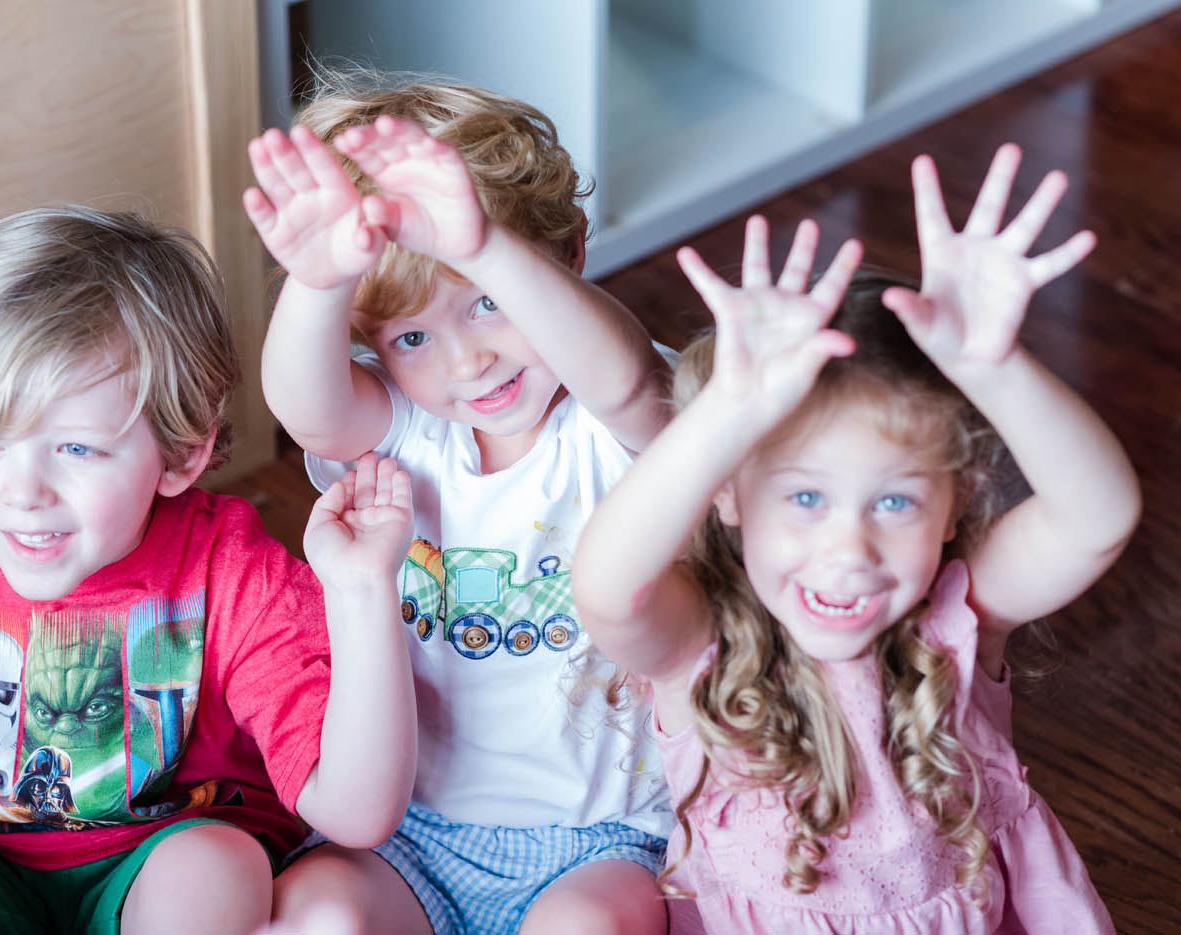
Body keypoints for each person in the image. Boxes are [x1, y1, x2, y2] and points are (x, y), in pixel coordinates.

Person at [0, 205, 418, 935]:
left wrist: (363, 587)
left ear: (181, 453)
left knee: (210, 867)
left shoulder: (234, 572)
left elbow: (357, 811)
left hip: (164, 852)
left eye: (77, 449)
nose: (24, 493)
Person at [571, 143, 1138, 933]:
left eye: (896, 502)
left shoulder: (958, 617)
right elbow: (606, 589)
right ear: (728, 494)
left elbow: (1097, 518)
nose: (850, 548)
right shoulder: (697, 645)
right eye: (806, 495)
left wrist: (994, 365)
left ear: (956, 501)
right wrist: (730, 411)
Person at [244, 71, 673, 934]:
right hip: (409, 831)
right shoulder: (403, 429)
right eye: (412, 336)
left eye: (489, 303)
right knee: (315, 915)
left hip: (602, 840)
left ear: (569, 255)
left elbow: (630, 380)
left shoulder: (607, 422)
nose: (468, 361)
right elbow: (305, 409)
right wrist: (324, 278)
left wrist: (481, 245)